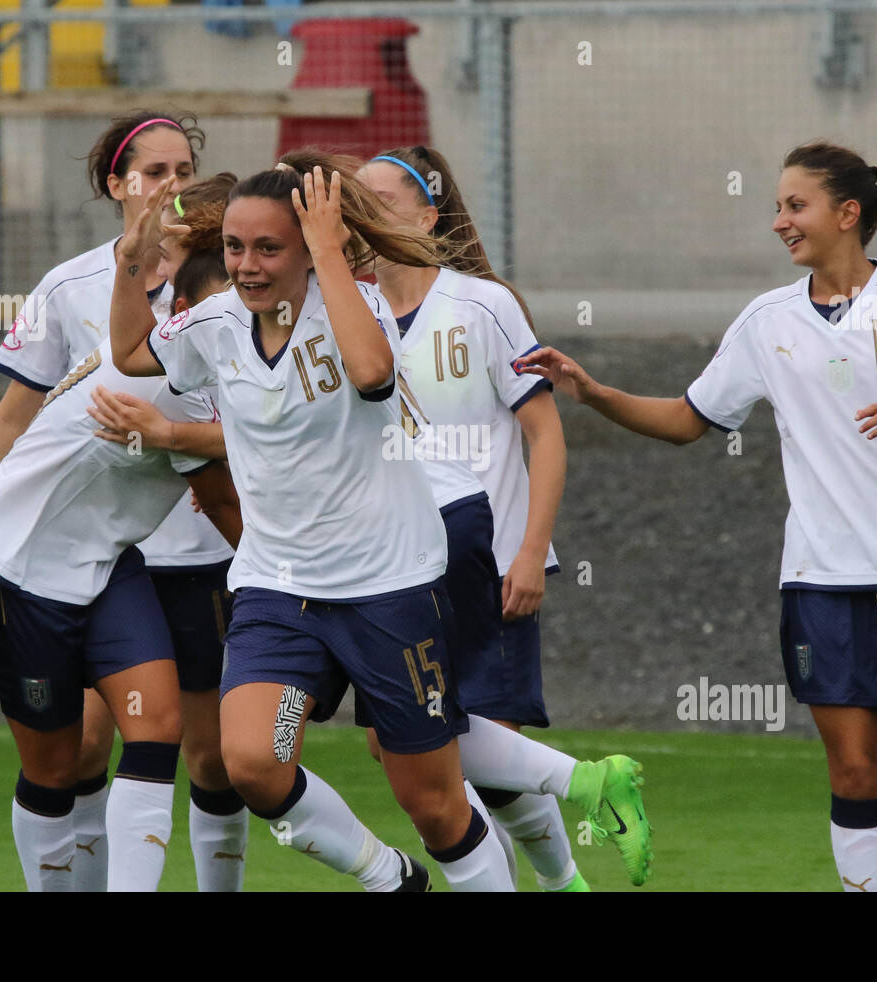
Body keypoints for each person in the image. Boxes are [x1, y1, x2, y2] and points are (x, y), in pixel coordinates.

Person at [521, 141, 877, 892]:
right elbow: (688, 419)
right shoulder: (766, 320)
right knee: (854, 773)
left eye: (794, 205)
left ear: (849, 214)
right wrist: (593, 391)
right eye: (776, 206)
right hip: (821, 578)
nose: (779, 221)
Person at [108, 152, 517, 890]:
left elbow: (371, 375)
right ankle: (390, 877)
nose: (248, 265)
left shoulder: (354, 309)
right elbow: (132, 351)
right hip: (278, 593)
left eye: (270, 248)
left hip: (388, 591)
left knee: (434, 804)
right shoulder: (217, 324)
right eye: (235, 247)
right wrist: (129, 265)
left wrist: (329, 251)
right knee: (258, 762)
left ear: (307, 248)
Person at [0, 113, 251, 891]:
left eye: (183, 169)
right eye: (153, 172)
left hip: (113, 557)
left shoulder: (216, 312)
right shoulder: (81, 290)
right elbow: (14, 416)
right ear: (114, 185)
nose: (172, 186)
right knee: (61, 765)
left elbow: (240, 439)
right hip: (20, 563)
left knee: (165, 732)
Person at [354, 146, 652, 889]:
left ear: (427, 216)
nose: (361, 213)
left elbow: (545, 433)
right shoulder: (347, 312)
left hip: (483, 563)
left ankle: (559, 879)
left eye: (380, 200)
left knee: (470, 774)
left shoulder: (482, 304)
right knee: (403, 748)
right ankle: (573, 850)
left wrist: (530, 552)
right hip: (392, 569)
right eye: (352, 200)